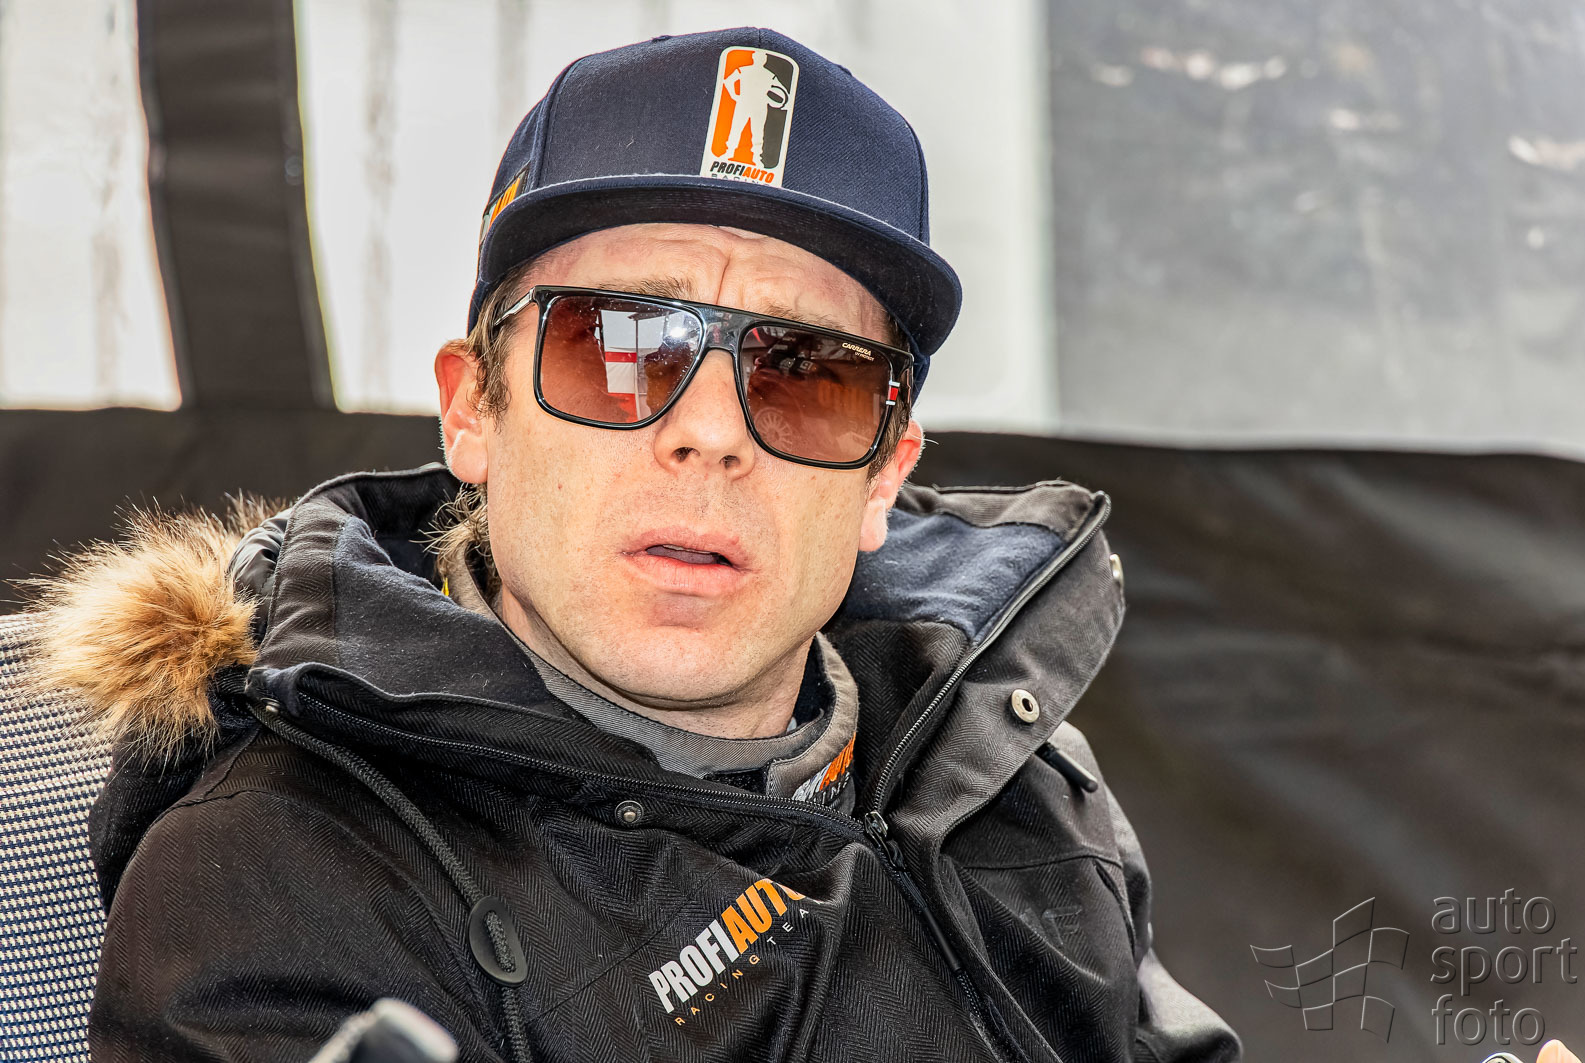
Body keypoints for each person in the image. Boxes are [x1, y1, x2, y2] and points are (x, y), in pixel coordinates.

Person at [29, 26, 1257, 1063]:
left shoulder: (1002, 757)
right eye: (616, 348)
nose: (708, 433)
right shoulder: (284, 880)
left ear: (883, 473)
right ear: (473, 411)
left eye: (806, 374)